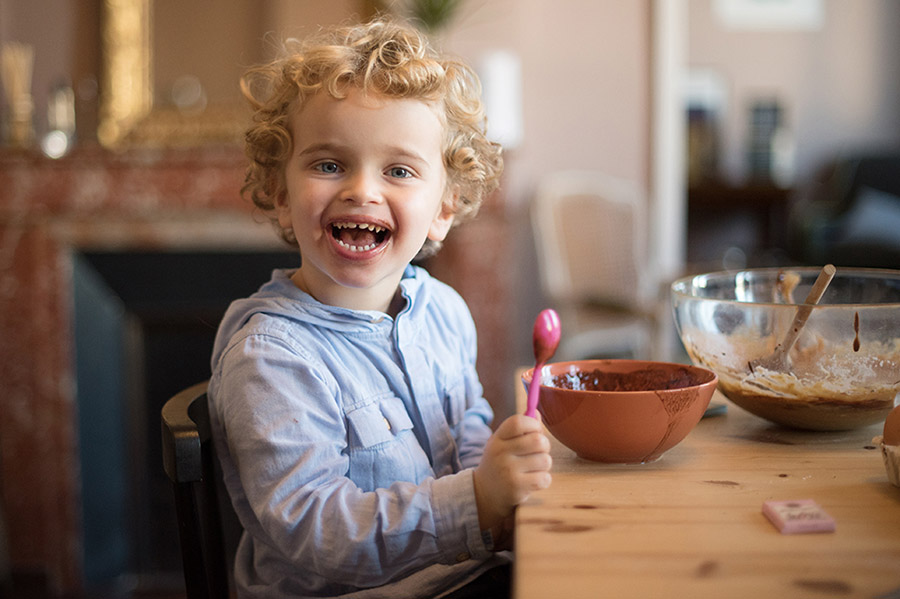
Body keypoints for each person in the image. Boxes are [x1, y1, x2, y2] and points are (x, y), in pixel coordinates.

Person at [208, 17, 553, 599]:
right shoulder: (270, 358)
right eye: (328, 164)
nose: (362, 190)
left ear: (444, 206)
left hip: (457, 573)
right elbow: (316, 531)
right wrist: (476, 500)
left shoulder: (442, 311)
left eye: (398, 170)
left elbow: (465, 424)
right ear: (279, 191)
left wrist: (496, 486)